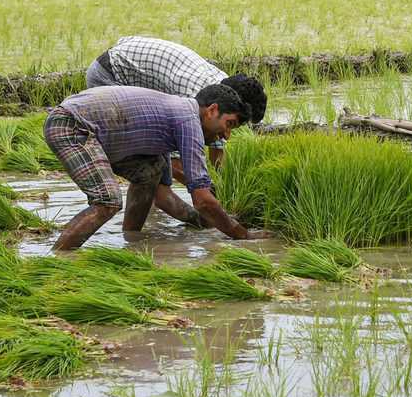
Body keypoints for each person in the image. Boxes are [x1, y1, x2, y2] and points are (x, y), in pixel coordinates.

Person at [43, 83, 267, 251]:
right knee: (107, 201)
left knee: (151, 172)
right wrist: (242, 234)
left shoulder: (174, 119)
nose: (226, 135)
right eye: (229, 124)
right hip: (72, 125)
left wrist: (201, 222)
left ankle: (131, 241)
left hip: (96, 130)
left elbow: (161, 195)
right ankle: (59, 257)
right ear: (211, 110)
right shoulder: (188, 122)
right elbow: (203, 200)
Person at [86, 35, 267, 179]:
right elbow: (176, 156)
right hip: (111, 74)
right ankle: (150, 210)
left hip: (138, 66)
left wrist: (226, 184)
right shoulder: (194, 96)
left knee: (157, 167)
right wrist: (207, 192)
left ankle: (153, 212)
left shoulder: (224, 89)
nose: (229, 132)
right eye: (235, 122)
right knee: (150, 160)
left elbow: (216, 145)